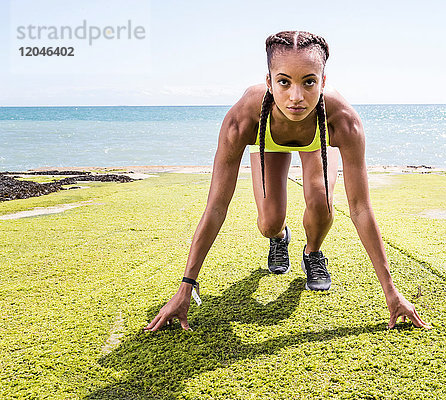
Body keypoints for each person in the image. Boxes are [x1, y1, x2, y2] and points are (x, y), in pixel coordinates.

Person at [145, 31, 431, 332]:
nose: (296, 97)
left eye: (308, 82)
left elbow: (360, 208)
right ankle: (280, 238)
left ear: (322, 81)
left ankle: (312, 252)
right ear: (269, 82)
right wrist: (186, 285)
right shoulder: (242, 119)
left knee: (321, 202)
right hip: (269, 136)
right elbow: (216, 206)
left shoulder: (343, 120)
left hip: (317, 139)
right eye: (284, 82)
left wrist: (391, 290)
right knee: (268, 224)